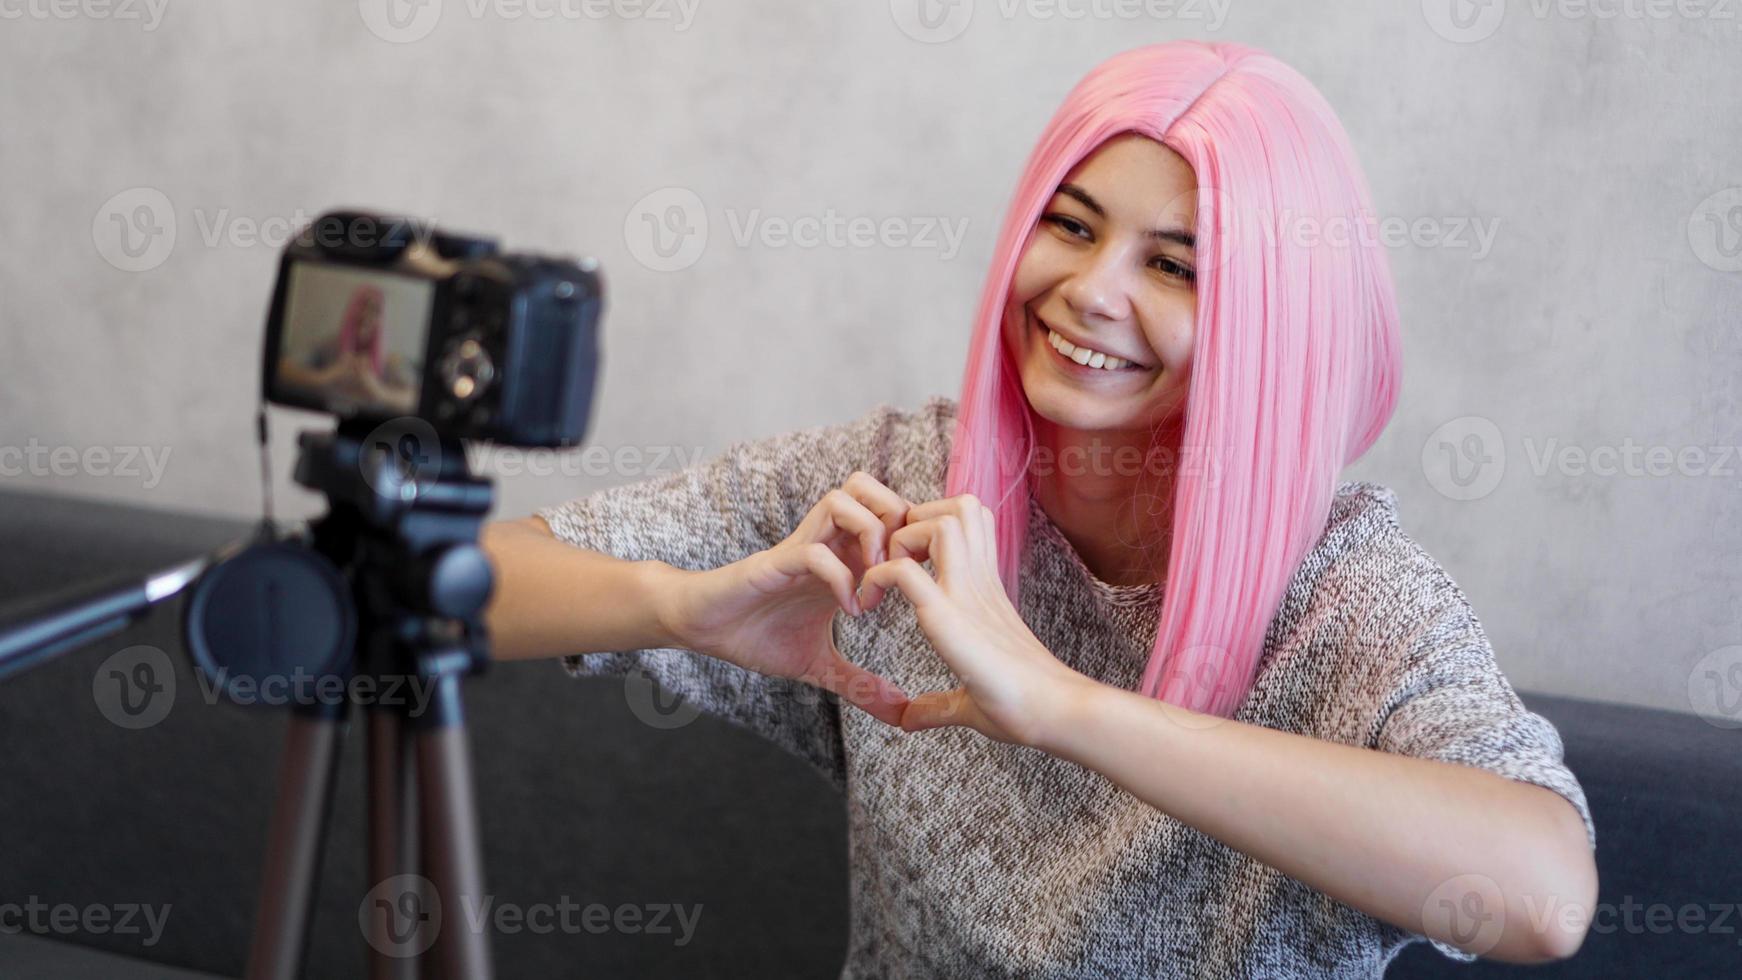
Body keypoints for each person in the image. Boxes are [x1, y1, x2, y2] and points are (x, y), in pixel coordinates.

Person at [479, 40, 1598, 978]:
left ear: (1272, 321)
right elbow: (454, 586)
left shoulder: (1342, 597)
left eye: (1175, 267)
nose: (1090, 290)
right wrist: (678, 608)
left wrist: (1056, 702)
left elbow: (1539, 894)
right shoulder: (893, 483)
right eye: (1069, 225)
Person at [276, 282, 418, 414]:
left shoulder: (391, 360)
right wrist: (326, 377)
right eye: (362, 306)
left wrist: (377, 390)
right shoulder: (330, 345)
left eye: (375, 310)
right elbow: (282, 368)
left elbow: (416, 398)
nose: (366, 315)